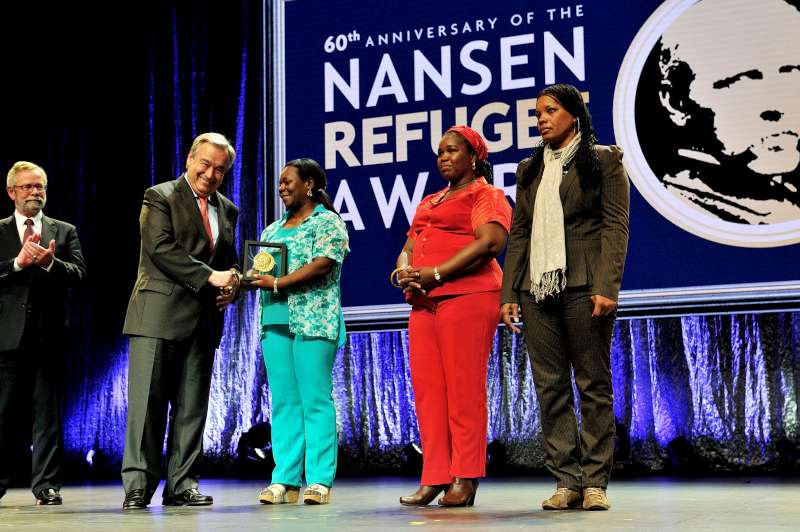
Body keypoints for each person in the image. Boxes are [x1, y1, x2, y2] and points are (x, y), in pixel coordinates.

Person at [501, 84, 629, 511]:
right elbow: (519, 233)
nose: (541, 119)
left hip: (584, 286)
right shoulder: (529, 169)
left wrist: (607, 287)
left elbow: (615, 227)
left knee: (592, 384)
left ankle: (595, 482)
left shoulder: (604, 161)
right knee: (549, 387)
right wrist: (509, 292)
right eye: (538, 113)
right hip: (537, 288)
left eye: (550, 111)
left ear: (573, 115)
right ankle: (566, 481)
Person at [121, 132, 241, 510]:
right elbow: (160, 248)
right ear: (189, 158)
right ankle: (139, 485)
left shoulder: (227, 209)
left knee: (193, 408)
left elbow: (229, 260)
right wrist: (211, 277)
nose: (210, 174)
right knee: (147, 406)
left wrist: (232, 284)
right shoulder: (159, 196)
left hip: (203, 322)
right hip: (157, 316)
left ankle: (182, 484)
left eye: (220, 169)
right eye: (205, 164)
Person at [394, 126, 511, 507]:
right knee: (429, 393)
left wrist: (438, 272)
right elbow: (409, 247)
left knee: (464, 391)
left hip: (469, 295)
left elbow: (490, 242)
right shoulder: (430, 201)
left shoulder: (486, 194)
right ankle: (434, 476)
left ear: (474, 157)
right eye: (440, 152)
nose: (443, 157)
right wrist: (405, 271)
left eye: (452, 151)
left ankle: (465, 475)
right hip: (424, 301)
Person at [244, 158, 349, 506]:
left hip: (314, 320)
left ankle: (319, 480)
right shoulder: (272, 232)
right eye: (280, 182)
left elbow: (323, 264)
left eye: (289, 181)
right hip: (275, 321)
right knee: (285, 402)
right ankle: (285, 479)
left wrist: (277, 282)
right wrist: (245, 279)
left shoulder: (327, 222)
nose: (282, 187)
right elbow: (263, 270)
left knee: (315, 400)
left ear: (309, 185)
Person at [644, 0, 800, 224]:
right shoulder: (690, 207)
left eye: (791, 73)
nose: (776, 109)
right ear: (676, 101)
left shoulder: (780, 199)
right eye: (742, 83)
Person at [0, 161, 87, 505]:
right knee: (2, 415)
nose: (35, 192)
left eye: (40, 187)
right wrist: (19, 262)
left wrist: (50, 263)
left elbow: (79, 273)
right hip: (7, 337)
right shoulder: (1, 230)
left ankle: (47, 485)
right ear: (11, 192)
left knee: (47, 417)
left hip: (48, 338)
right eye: (27, 187)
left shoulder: (63, 231)